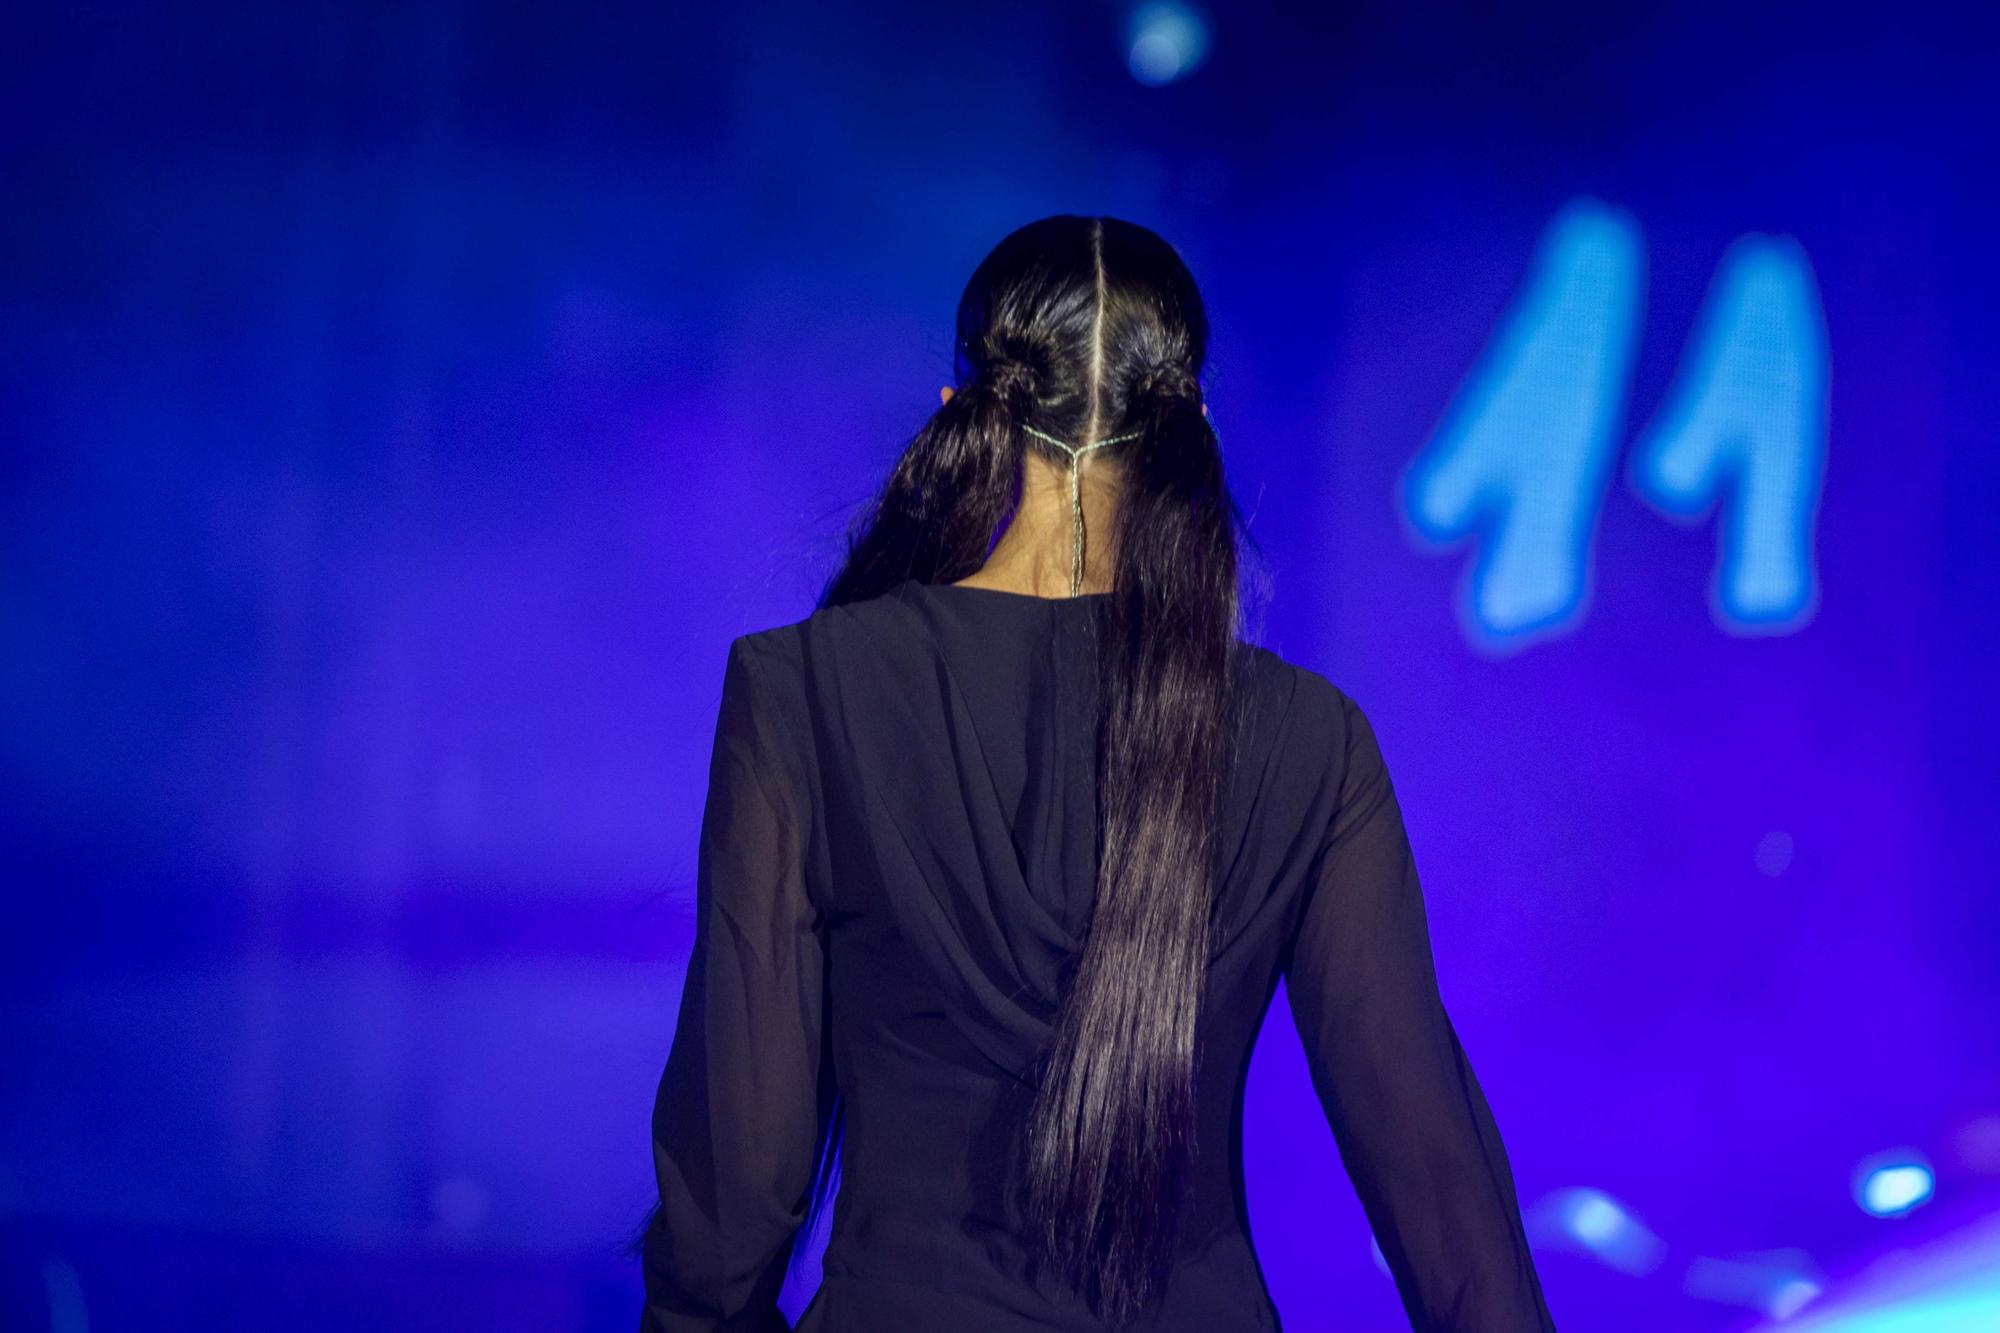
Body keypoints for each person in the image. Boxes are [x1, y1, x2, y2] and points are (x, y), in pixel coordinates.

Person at [638, 215, 1557, 1332]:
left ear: (958, 420)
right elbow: (1434, 1185)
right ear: (1191, 430)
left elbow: (738, 1180)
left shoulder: (803, 690)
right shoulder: (1309, 737)